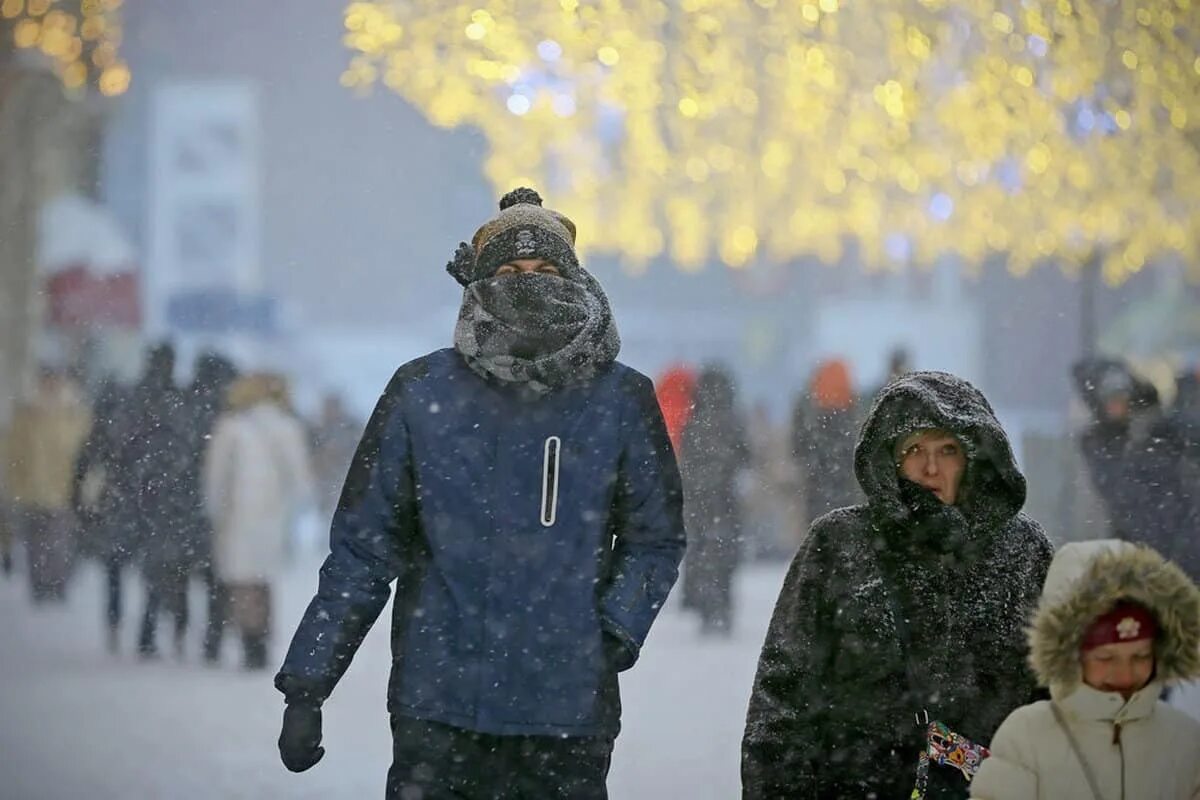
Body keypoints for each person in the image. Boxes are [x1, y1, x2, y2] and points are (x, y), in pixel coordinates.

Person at [273, 187, 686, 799]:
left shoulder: (619, 399)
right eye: (512, 272)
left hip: (565, 715)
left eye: (547, 270)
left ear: (575, 281)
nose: (529, 284)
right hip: (439, 709)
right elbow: (363, 551)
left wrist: (610, 634)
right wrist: (308, 682)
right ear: (478, 284)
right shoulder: (421, 392)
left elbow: (655, 539)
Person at [743, 371, 1054, 799]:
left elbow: (1055, 696)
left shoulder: (1023, 551)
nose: (930, 467)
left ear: (973, 458)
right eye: (914, 450)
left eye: (947, 450)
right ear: (888, 458)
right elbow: (783, 692)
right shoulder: (838, 544)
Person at [969, 540, 1200, 799]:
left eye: (1140, 656)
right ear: (1070, 655)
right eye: (1105, 658)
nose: (1124, 675)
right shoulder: (1027, 736)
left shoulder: (1186, 741)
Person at [204, 373, 314, 669]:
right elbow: (302, 483)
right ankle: (262, 642)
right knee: (264, 580)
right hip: (272, 518)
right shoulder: (289, 427)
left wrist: (215, 512)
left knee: (242, 582)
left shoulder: (231, 427)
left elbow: (215, 481)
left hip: (237, 517)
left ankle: (250, 642)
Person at [4, 366, 92, 603]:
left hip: (64, 490)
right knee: (36, 542)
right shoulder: (28, 413)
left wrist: (86, 487)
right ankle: (40, 587)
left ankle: (57, 585)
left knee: (58, 542)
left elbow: (86, 452)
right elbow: (13, 452)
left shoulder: (74, 413)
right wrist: (15, 484)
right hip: (32, 489)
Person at [679, 364, 750, 635]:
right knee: (726, 553)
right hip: (726, 499)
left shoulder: (694, 421)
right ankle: (723, 605)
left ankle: (707, 607)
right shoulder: (733, 420)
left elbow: (685, 461)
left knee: (702, 553)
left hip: (699, 501)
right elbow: (746, 456)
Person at [72, 379, 140, 651]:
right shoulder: (135, 430)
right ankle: (142, 628)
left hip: (110, 507)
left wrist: (82, 506)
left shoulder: (98, 433)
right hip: (135, 508)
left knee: (113, 570)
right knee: (140, 571)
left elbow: (82, 470)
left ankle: (114, 622)